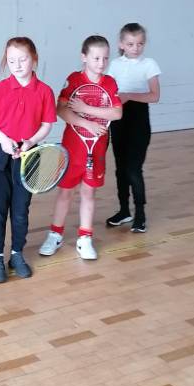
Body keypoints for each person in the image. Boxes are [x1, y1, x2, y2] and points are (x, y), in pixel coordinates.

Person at [39, 35, 122, 261]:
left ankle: (85, 239)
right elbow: (61, 110)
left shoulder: (110, 83)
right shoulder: (74, 80)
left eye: (105, 58)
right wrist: (87, 123)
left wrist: (86, 109)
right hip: (72, 149)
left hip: (97, 150)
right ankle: (55, 235)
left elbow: (117, 113)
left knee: (89, 192)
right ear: (84, 57)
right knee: (65, 192)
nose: (101, 63)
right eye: (96, 58)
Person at [0, 36, 57, 283]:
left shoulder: (44, 91)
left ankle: (16, 254)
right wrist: (4, 140)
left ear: (34, 59)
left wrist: (31, 141)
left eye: (22, 59)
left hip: (28, 154)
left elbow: (47, 124)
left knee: (21, 209)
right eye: (11, 60)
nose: (17, 65)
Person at [106, 22, 161, 233]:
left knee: (133, 169)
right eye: (130, 44)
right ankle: (124, 211)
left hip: (139, 121)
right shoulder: (114, 65)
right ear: (121, 44)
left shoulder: (149, 64)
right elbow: (109, 92)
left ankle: (140, 213)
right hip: (118, 120)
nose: (135, 48)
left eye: (140, 44)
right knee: (120, 168)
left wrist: (128, 95)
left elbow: (154, 96)